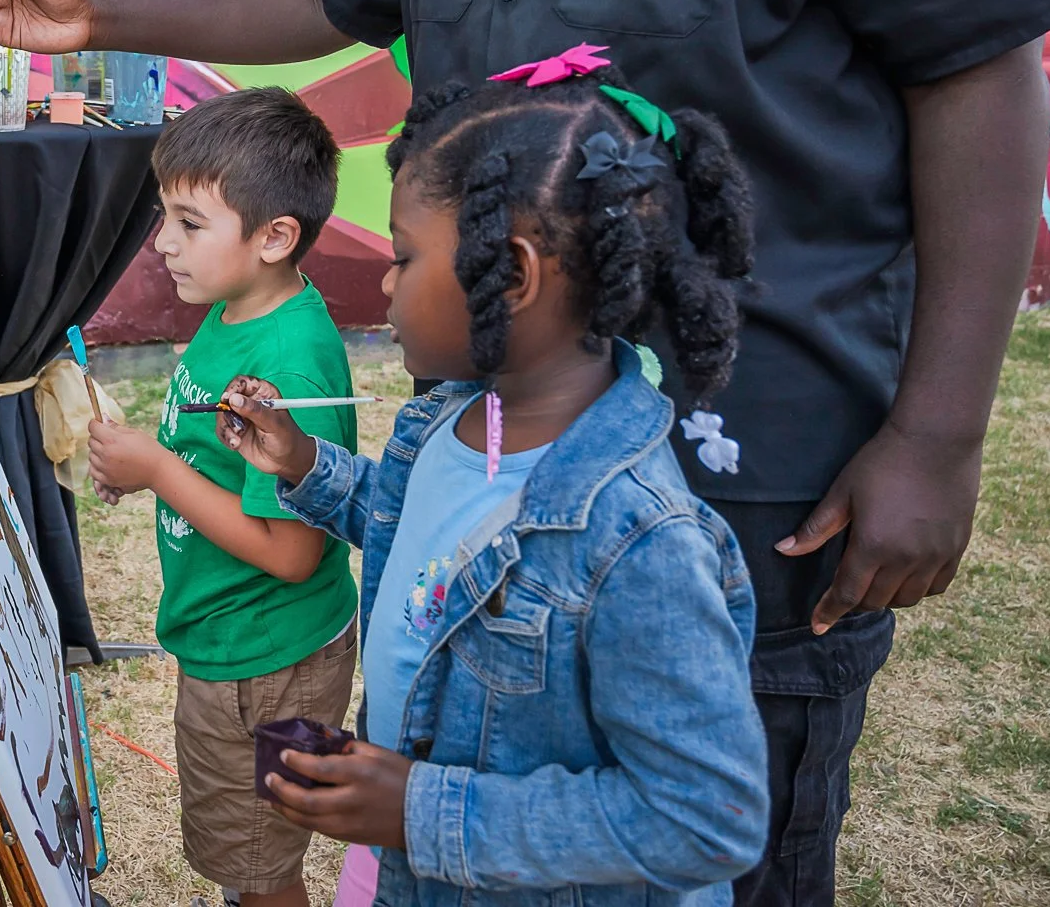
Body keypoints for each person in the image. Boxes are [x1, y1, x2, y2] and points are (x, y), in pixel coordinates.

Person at [0, 0, 1050, 896]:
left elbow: (977, 75)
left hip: (753, 471)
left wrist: (939, 434)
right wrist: (100, 17)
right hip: (487, 455)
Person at [218, 59, 769, 904]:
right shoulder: (451, 417)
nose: (387, 283)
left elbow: (706, 815)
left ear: (511, 276)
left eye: (404, 257)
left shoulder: (636, 537)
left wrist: (424, 812)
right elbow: (428, 539)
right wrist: (302, 464)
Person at [85, 88, 361, 907]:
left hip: (270, 662)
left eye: (189, 223)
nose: (162, 242)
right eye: (164, 215)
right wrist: (149, 460)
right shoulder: (239, 306)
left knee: (259, 866)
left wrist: (161, 473)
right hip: (233, 645)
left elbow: (292, 549)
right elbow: (214, 453)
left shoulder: (290, 365)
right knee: (246, 854)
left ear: (275, 236)